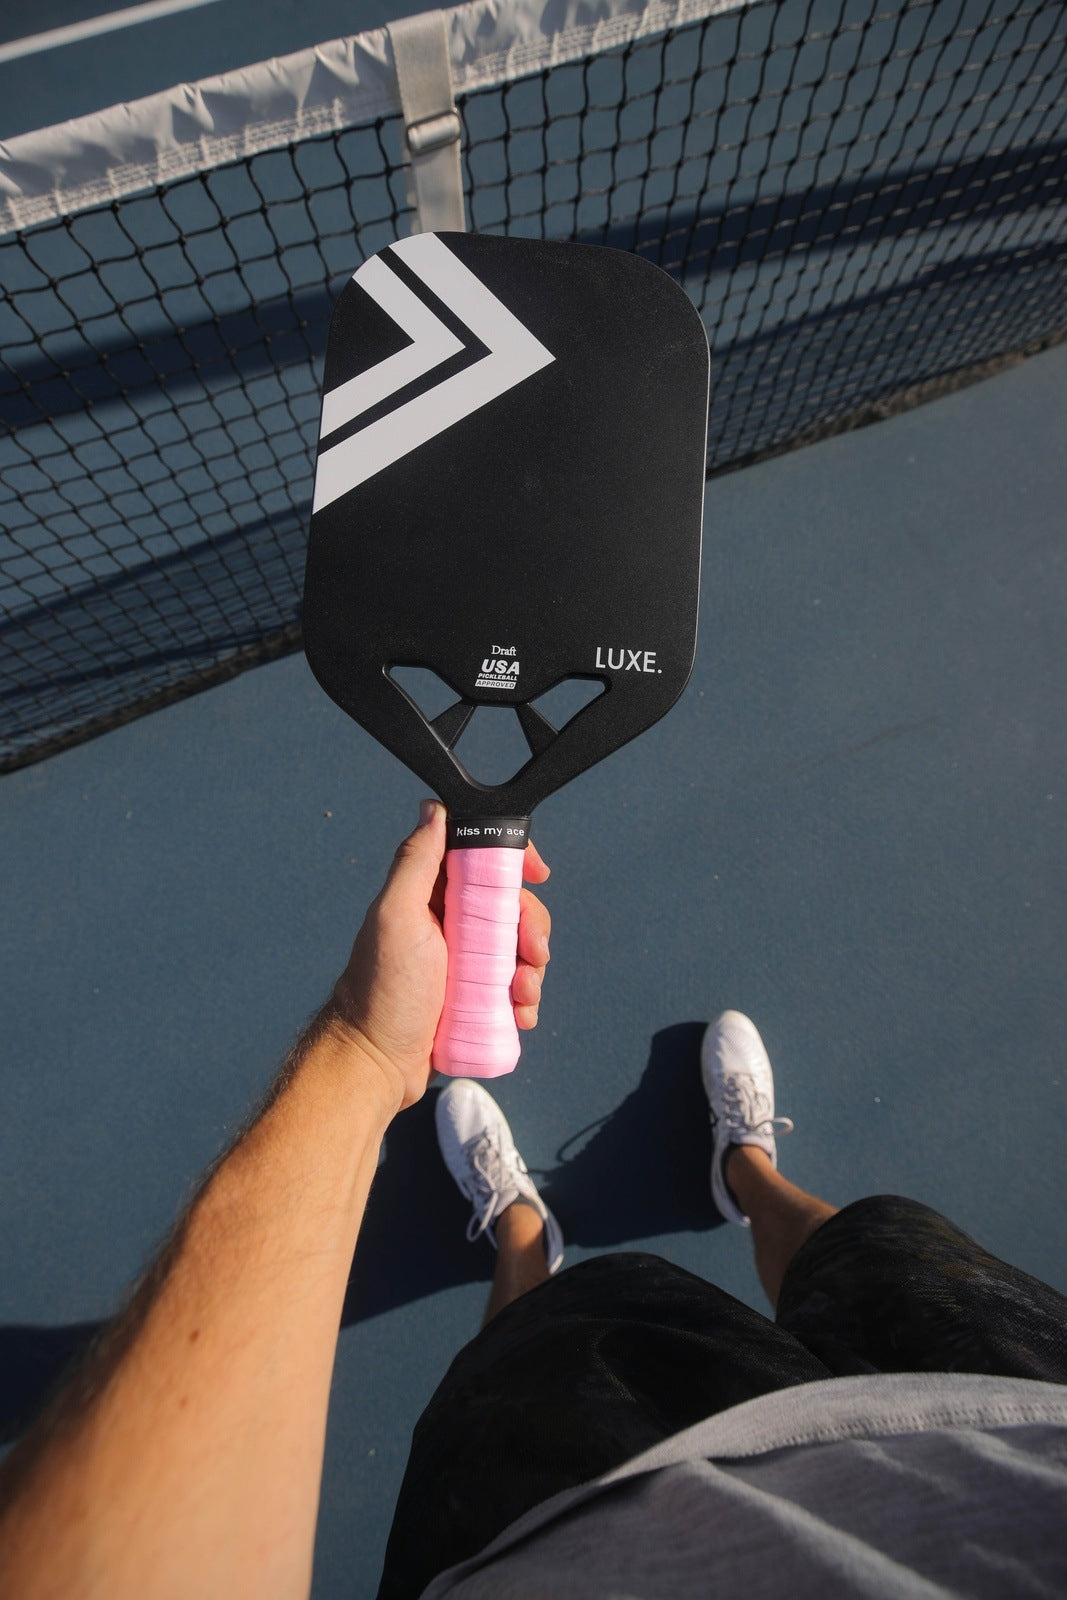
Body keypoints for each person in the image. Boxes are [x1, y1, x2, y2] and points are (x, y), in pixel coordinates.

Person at [0, 802, 1064, 1599]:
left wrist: (366, 1050)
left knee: (530, 1351)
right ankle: (745, 1170)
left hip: (564, 1537)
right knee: (876, 1256)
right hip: (1023, 1419)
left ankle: (521, 1233)